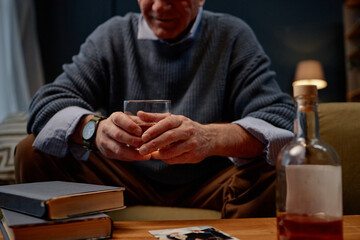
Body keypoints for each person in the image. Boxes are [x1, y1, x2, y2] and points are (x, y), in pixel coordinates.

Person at [15, 0, 294, 218]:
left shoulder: (232, 36)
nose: (160, 7)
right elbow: (46, 102)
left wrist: (209, 139)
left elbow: (280, 119)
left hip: (211, 184)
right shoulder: (113, 36)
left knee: (281, 163)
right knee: (33, 152)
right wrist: (94, 130)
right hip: (123, 179)